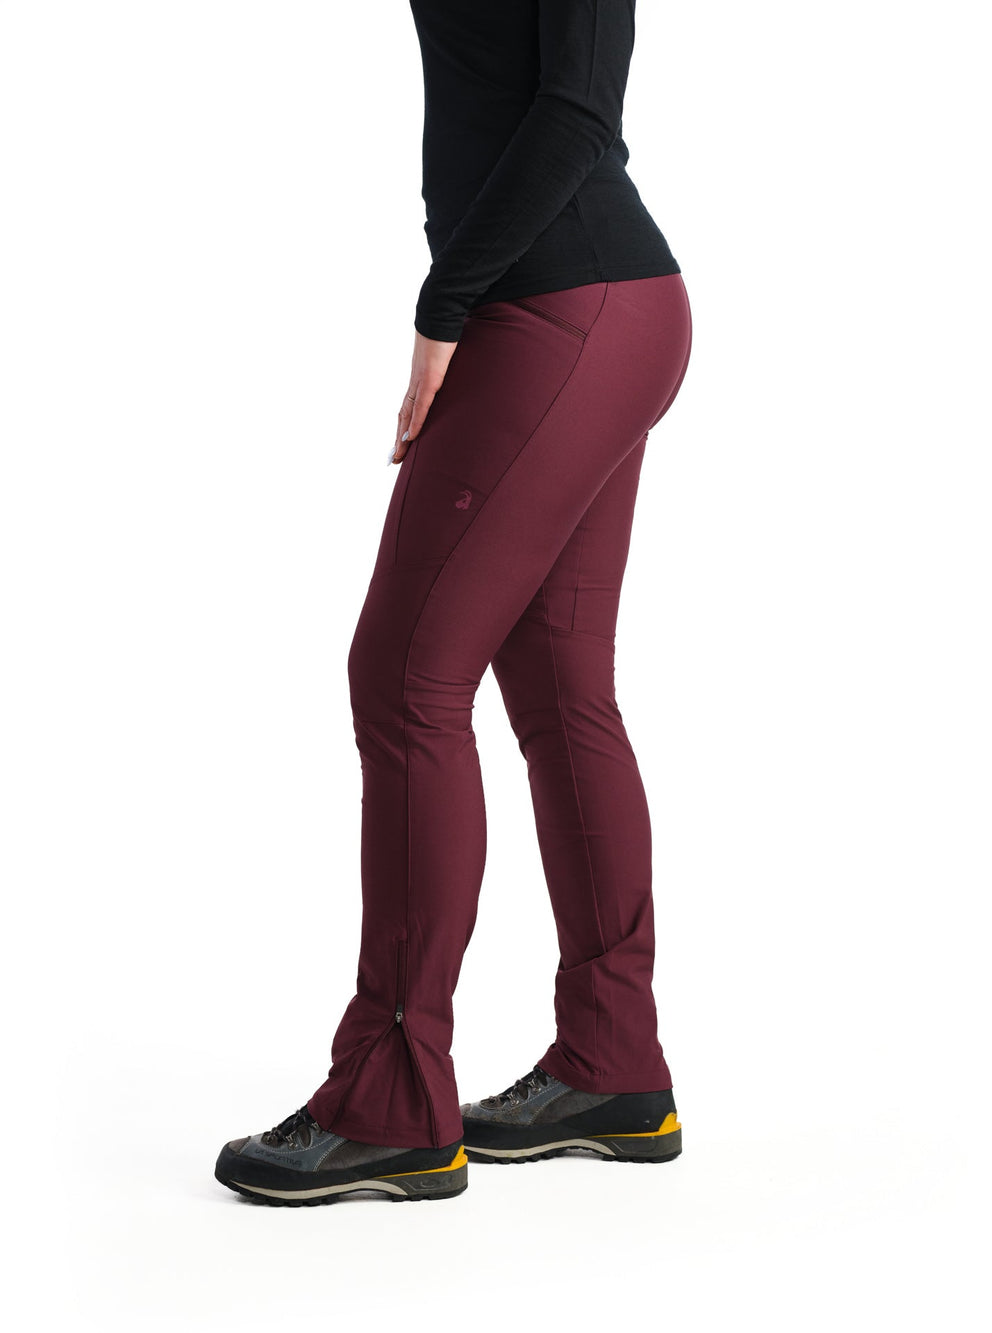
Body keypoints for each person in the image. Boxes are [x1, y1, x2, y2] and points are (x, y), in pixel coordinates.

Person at [215, 0, 691, 1206]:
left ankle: (389, 1099)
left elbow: (578, 110)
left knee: (405, 679)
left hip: (560, 305)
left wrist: (446, 305)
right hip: (590, 301)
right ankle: (611, 1065)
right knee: (561, 686)